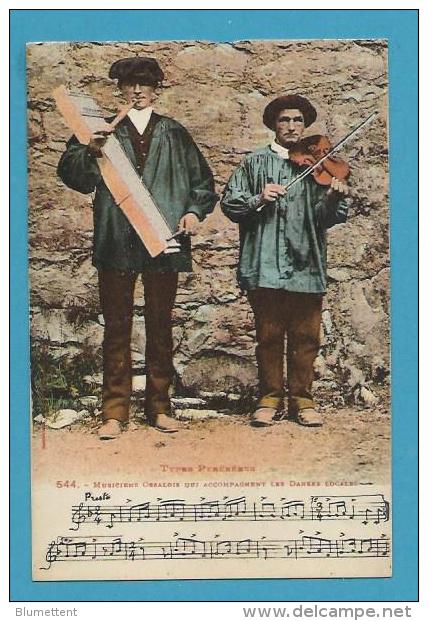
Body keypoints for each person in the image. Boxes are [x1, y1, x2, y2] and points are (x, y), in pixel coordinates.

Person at [57, 57, 217, 439]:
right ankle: (114, 411)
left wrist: (194, 213)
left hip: (164, 241)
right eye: (130, 84)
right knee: (116, 326)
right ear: (120, 90)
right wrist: (93, 150)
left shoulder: (175, 132)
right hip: (117, 240)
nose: (137, 91)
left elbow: (203, 184)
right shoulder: (101, 131)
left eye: (145, 84)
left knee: (161, 326)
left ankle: (160, 407)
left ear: (156, 89)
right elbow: (71, 173)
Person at [221, 94, 349, 428]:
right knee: (269, 333)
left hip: (306, 261)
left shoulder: (315, 165)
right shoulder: (254, 163)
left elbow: (326, 217)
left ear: (304, 126)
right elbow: (231, 205)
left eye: (297, 121)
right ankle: (269, 398)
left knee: (306, 335)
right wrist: (258, 197)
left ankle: (302, 400)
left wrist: (333, 196)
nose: (291, 127)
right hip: (264, 264)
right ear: (273, 125)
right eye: (284, 120)